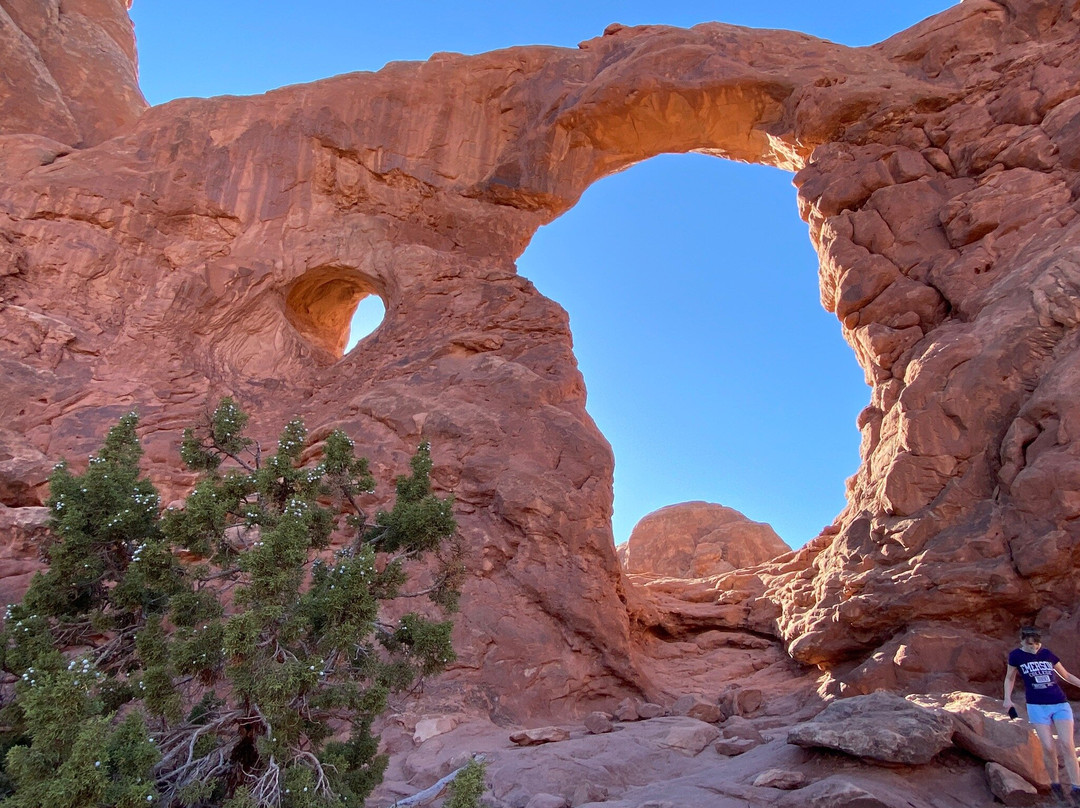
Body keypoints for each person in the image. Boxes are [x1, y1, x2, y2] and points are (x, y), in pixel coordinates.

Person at [1004, 626, 1080, 805]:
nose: (1034, 648)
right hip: (1037, 706)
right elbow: (1010, 678)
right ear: (1022, 641)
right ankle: (1055, 784)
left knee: (1067, 744)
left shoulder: (1047, 654)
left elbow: (1066, 675)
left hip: (1059, 703)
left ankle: (1077, 787)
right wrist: (1007, 699)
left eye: (1037, 644)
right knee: (1048, 746)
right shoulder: (1016, 656)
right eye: (1030, 645)